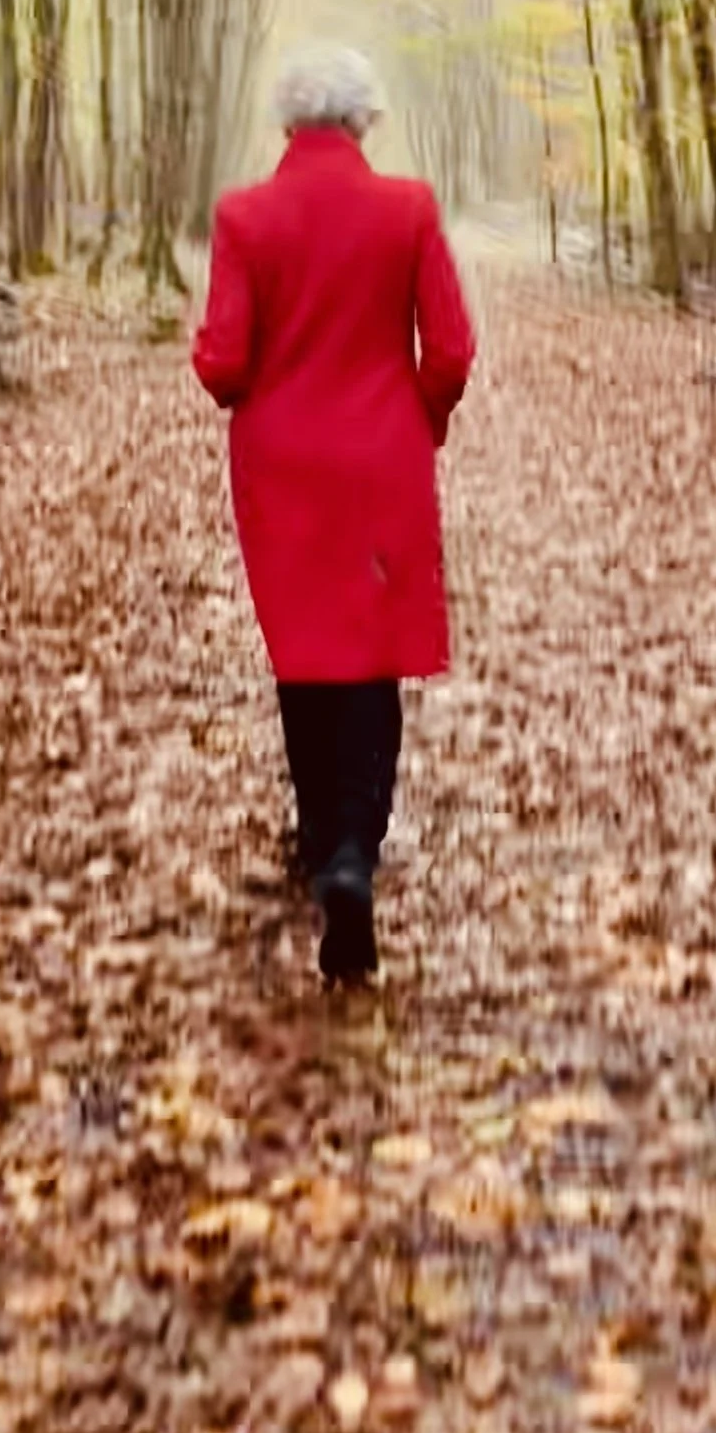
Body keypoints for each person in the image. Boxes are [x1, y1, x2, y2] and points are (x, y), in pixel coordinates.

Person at [192, 48, 476, 983]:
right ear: (364, 121)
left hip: (281, 469)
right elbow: (452, 349)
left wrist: (234, 368)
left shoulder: (243, 217)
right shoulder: (408, 209)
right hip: (381, 459)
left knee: (305, 651)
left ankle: (325, 845)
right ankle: (354, 849)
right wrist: (418, 416)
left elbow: (224, 364)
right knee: (372, 656)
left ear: (286, 124)